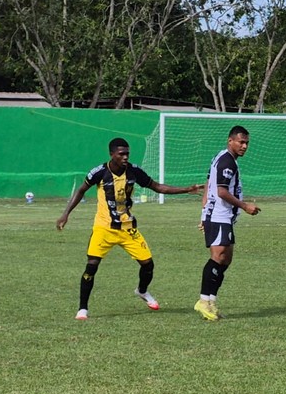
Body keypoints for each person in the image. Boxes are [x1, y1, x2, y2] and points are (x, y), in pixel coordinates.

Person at [56, 138, 200, 320]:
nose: (125, 157)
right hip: (104, 228)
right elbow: (82, 190)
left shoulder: (134, 171)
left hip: (127, 228)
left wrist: (187, 189)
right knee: (92, 265)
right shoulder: (99, 172)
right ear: (112, 154)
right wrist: (65, 214)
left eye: (127, 154)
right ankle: (83, 308)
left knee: (148, 264)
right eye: (121, 154)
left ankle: (142, 291)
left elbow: (157, 187)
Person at [197, 125, 261, 321]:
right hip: (218, 215)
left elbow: (209, 183)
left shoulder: (223, 157)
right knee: (218, 257)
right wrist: (244, 206)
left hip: (219, 215)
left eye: (247, 143)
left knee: (226, 259)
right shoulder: (228, 162)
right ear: (230, 141)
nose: (244, 146)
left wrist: (203, 211)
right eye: (241, 142)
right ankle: (203, 301)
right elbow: (222, 191)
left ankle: (211, 301)